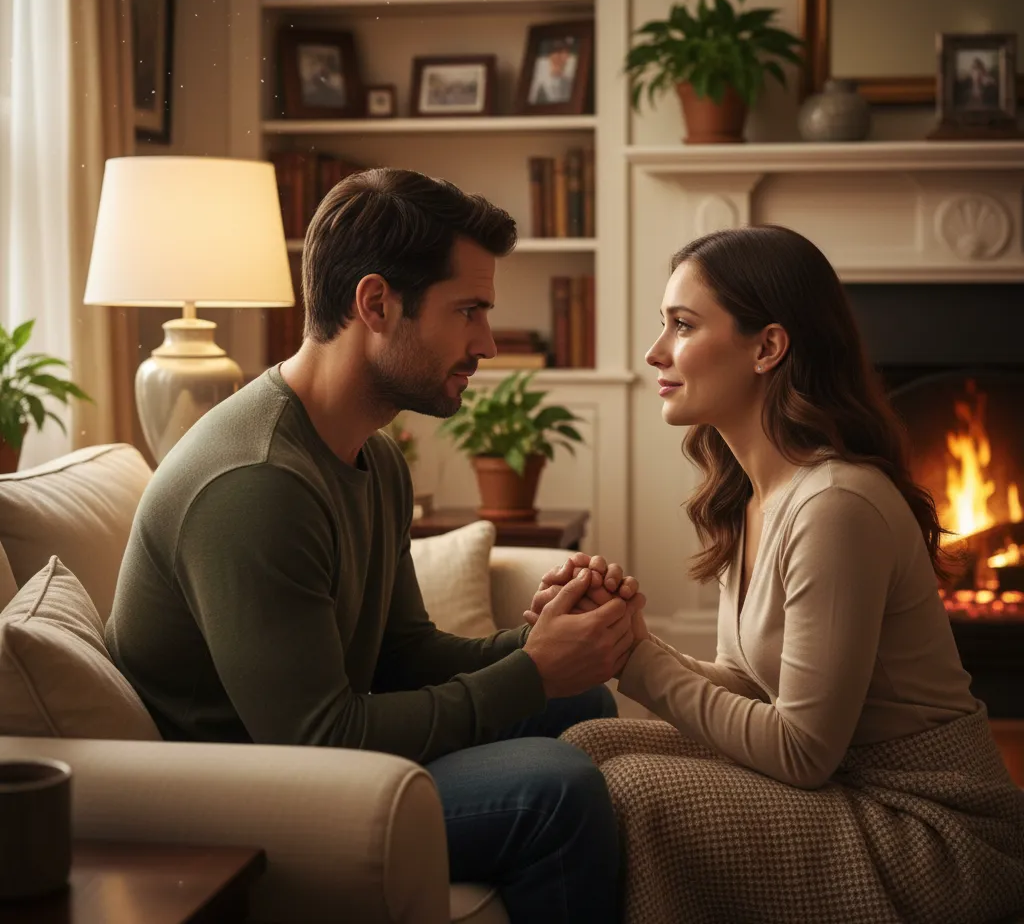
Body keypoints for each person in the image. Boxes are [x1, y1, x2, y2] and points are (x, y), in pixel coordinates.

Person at [106, 168, 645, 923]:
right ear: (376, 304)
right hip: (251, 797)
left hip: (316, 763)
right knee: (556, 790)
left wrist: (543, 643)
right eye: (470, 311)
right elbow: (321, 738)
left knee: (580, 699)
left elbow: (402, 653)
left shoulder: (374, 454)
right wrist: (528, 672)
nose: (488, 343)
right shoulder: (255, 483)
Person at [527, 226, 1024, 924]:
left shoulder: (835, 504)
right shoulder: (755, 493)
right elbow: (754, 684)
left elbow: (802, 750)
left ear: (768, 347)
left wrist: (636, 663)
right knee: (586, 748)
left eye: (682, 325)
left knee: (631, 789)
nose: (655, 351)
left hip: (931, 827)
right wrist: (625, 636)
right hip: (847, 781)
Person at [528, 39, 576, 105]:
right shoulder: (539, 66)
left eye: (566, 52)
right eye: (558, 52)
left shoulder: (569, 73)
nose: (565, 57)